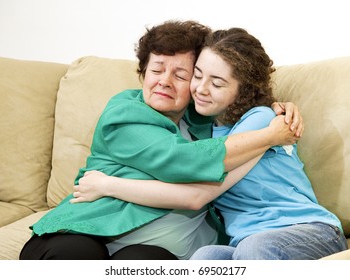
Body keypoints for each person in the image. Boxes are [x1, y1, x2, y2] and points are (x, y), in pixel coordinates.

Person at [20, 21, 301, 260]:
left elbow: (237, 105)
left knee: (147, 261)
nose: (164, 81)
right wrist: (271, 135)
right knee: (76, 256)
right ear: (143, 73)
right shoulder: (124, 113)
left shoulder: (204, 119)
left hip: (154, 251)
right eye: (156, 70)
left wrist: (276, 108)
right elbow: (184, 162)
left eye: (181, 75)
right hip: (87, 232)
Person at [71, 27, 348, 260]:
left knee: (254, 248)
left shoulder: (262, 120)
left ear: (243, 90)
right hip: (245, 242)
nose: (201, 89)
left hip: (308, 230)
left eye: (216, 83)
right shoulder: (204, 129)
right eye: (197, 75)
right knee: (204, 258)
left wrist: (107, 185)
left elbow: (200, 193)